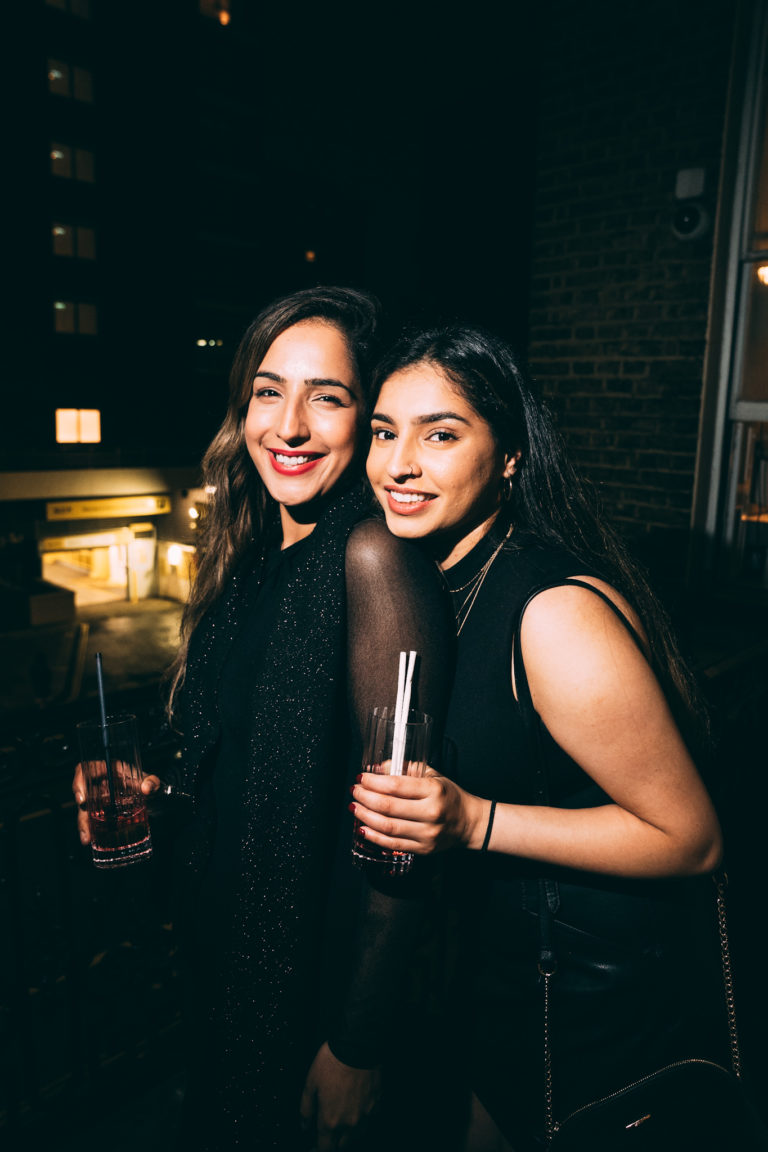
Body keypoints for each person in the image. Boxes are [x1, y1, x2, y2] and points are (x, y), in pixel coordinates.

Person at [73, 288, 453, 1151]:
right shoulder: (247, 555)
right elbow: (235, 763)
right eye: (268, 392)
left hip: (308, 989)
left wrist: (357, 1044)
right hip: (220, 960)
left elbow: (402, 839)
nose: (289, 426)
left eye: (328, 397)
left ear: (367, 419)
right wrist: (147, 788)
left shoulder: (372, 556)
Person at [352, 324, 724, 1151]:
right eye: (383, 432)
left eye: (440, 435)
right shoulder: (441, 580)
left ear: (511, 456)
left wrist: (472, 821)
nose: (398, 463)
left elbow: (691, 838)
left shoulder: (552, 613)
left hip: (594, 1012)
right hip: (503, 985)